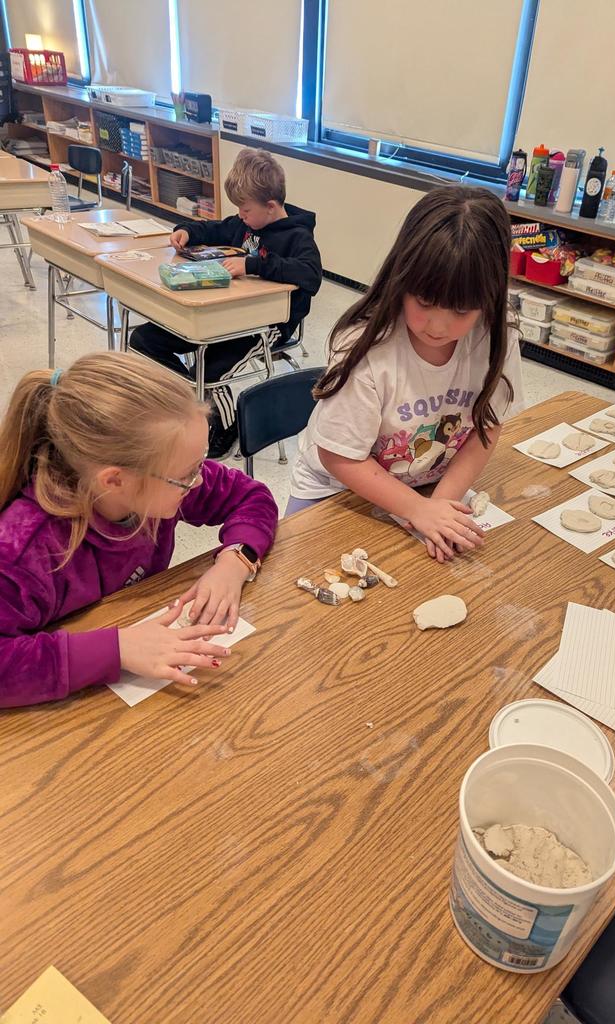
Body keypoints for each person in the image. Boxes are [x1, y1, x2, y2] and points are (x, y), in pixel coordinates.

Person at [0, 351, 278, 708]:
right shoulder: (22, 548)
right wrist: (116, 650)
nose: (197, 482)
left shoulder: (153, 480)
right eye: (186, 475)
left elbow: (251, 496)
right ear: (115, 480)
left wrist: (235, 561)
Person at [287, 185, 524, 562]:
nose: (438, 327)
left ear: (489, 299)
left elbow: (487, 425)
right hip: (337, 491)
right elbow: (339, 457)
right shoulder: (366, 347)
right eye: (425, 303)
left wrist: (439, 504)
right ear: (401, 279)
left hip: (427, 486)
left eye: (461, 311)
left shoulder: (497, 336)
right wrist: (418, 510)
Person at [130, 148, 322, 458]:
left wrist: (253, 265)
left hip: (267, 325)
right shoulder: (244, 224)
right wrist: (186, 230)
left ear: (271, 206)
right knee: (142, 340)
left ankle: (225, 427)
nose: (241, 217)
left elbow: (311, 275)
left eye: (245, 210)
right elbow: (214, 227)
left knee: (213, 370)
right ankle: (191, 401)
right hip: (222, 316)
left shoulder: (298, 236)